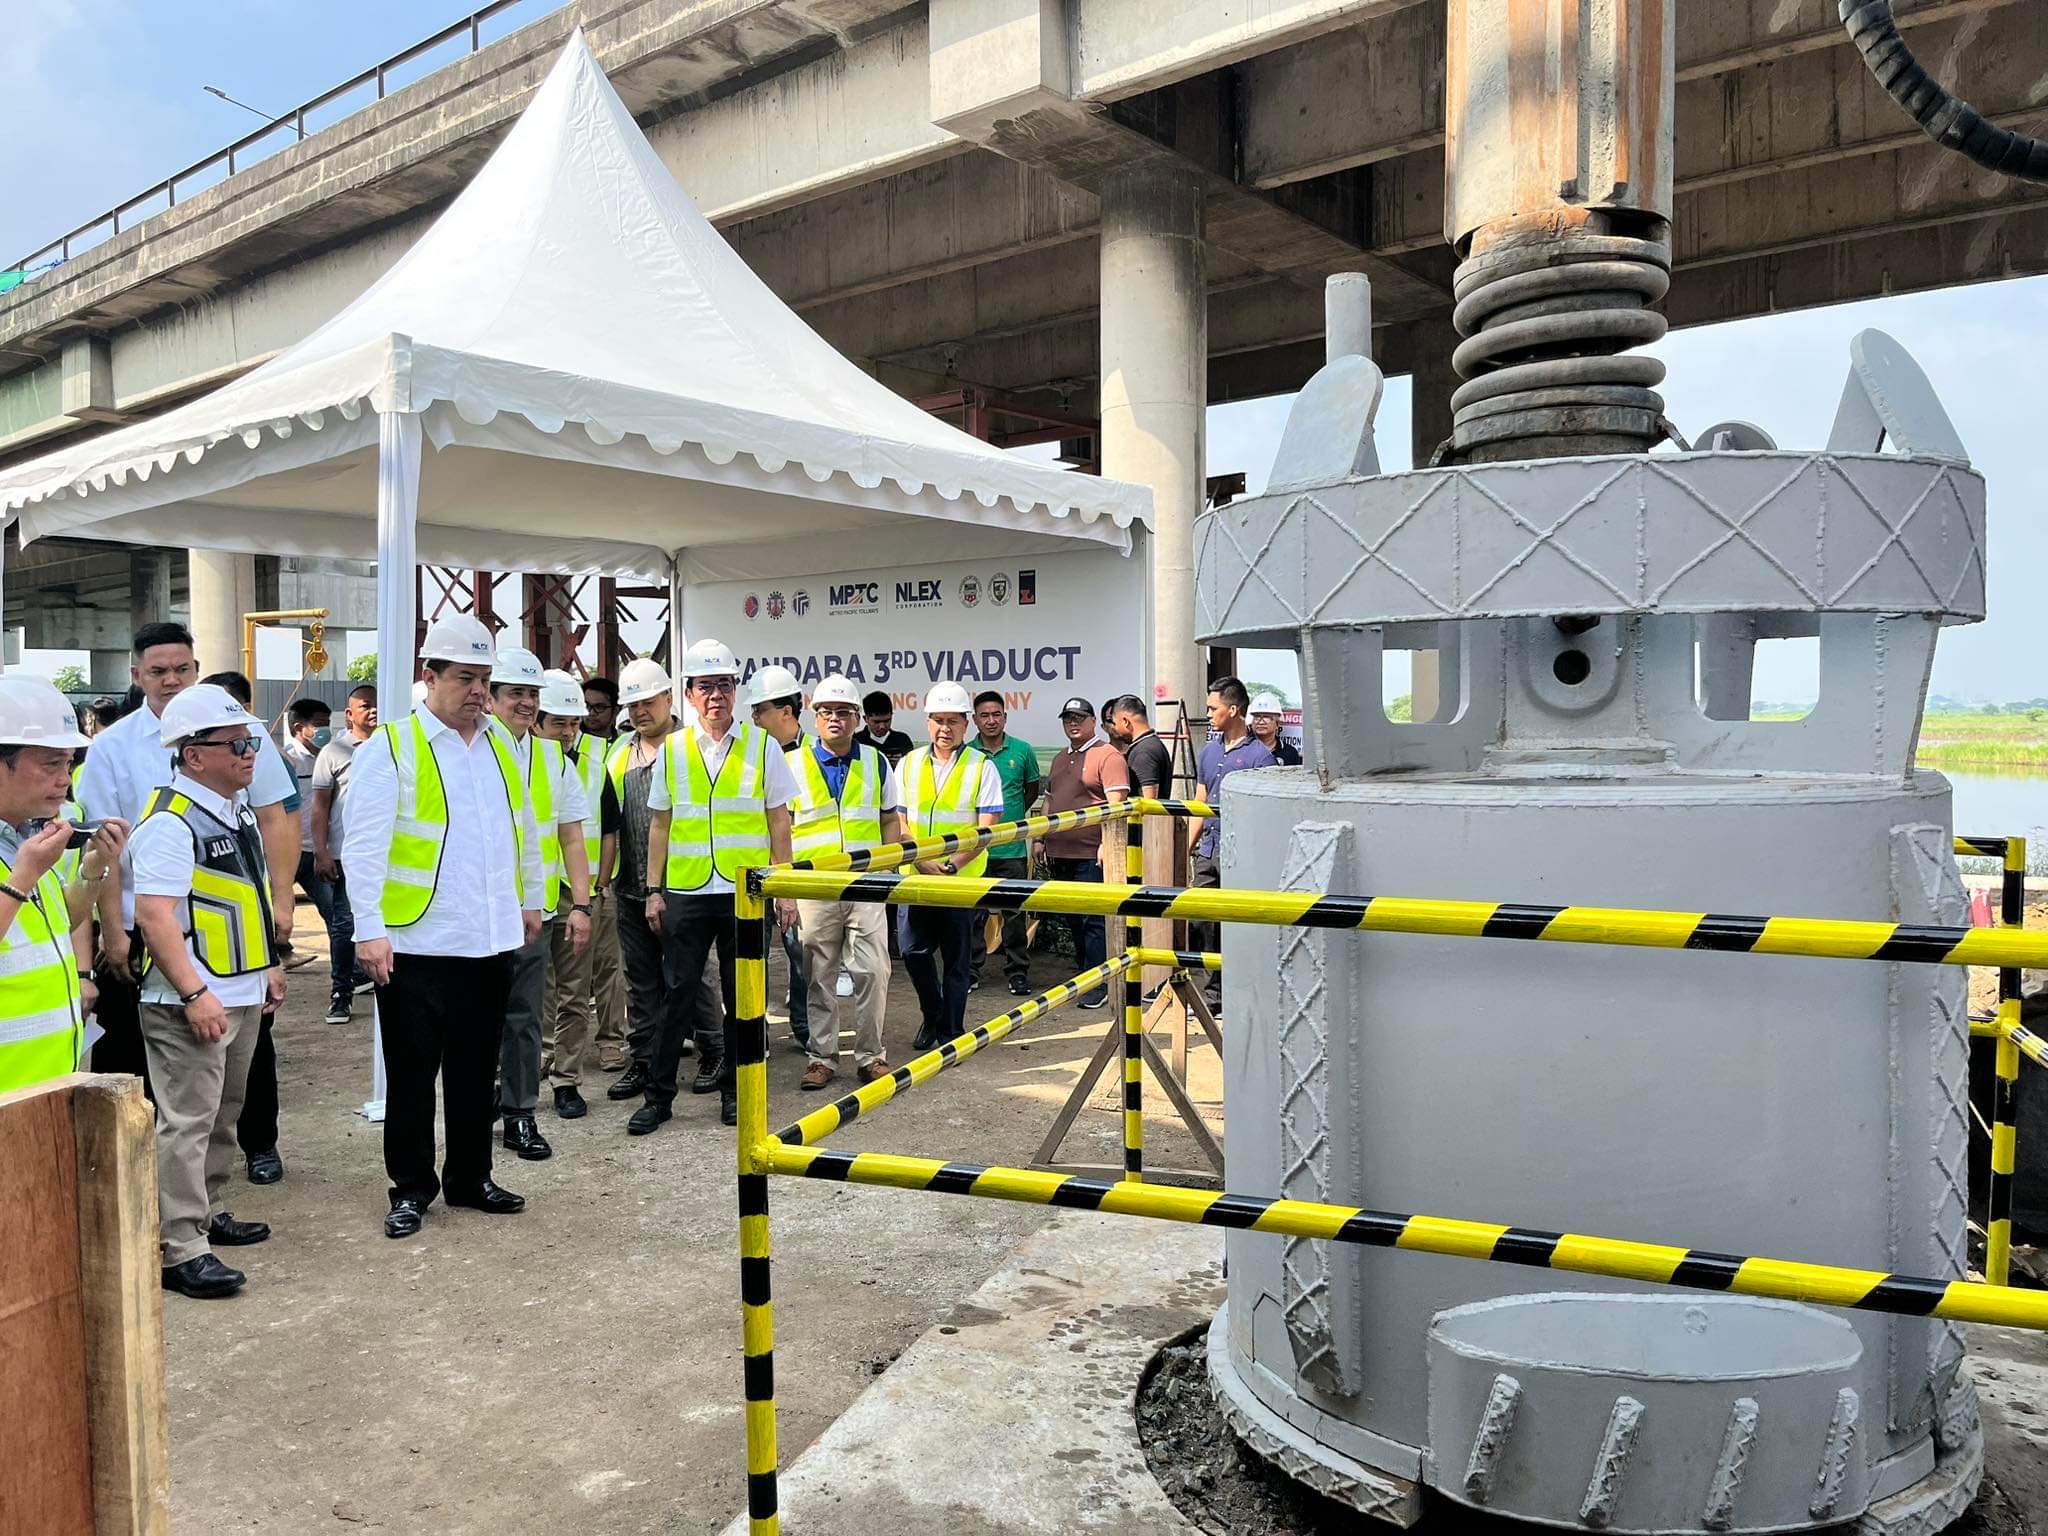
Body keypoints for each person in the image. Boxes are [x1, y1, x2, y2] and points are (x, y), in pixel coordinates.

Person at [342, 615, 544, 1240]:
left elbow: (523, 831)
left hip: (487, 940)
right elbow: (363, 847)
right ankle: (410, 1188)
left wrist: (530, 901)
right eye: (465, 678)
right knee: (411, 1074)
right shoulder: (393, 748)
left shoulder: (501, 746)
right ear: (428, 677)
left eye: (485, 679)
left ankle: (469, 1177)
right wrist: (369, 930)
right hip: (414, 943)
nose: (478, 692)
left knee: (473, 1068)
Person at [78, 626, 300, 1187]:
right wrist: (114, 931)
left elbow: (273, 819)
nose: (172, 680)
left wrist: (277, 916)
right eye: (159, 671)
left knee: (234, 1080)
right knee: (175, 1086)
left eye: (182, 669)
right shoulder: (115, 750)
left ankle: (224, 1186)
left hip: (231, 947)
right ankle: (166, 1215)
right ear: (137, 676)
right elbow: (107, 847)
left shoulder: (237, 750)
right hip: (158, 931)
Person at [130, 685, 286, 1299]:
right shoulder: (170, 822)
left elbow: (245, 894)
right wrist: (196, 993)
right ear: (194, 755)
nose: (250, 752)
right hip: (192, 1000)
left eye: (250, 741)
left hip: (239, 990)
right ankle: (181, 1246)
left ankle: (207, 1212)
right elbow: (156, 917)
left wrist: (268, 964)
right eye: (237, 743)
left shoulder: (233, 807)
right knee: (188, 1121)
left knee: (223, 1112)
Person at [642, 639, 798, 1131]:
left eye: (724, 685)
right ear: (688, 694)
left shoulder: (762, 746)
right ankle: (658, 1097)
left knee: (743, 1000)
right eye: (706, 686)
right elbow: (660, 824)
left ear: (737, 691)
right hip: (687, 892)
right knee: (677, 998)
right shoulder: (673, 750)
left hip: (744, 893)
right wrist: (653, 889)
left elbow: (779, 821)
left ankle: (737, 1092)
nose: (716, 696)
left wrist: (786, 888)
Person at [487, 649, 593, 1161]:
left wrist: (581, 903)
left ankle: (520, 1114)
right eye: (516, 694)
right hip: (477, 914)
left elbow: (572, 837)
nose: (526, 704)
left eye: (532, 695)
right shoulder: (473, 748)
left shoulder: (554, 759)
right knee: (475, 1017)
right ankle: (481, 1100)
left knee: (525, 1017)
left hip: (533, 914)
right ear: (491, 697)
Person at [602, 657, 721, 1105]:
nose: (639, 713)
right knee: (641, 980)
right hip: (631, 886)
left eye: (647, 702)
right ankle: (646, 1060)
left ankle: (713, 1050)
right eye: (632, 705)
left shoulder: (694, 747)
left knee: (693, 977)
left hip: (683, 886)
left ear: (670, 698)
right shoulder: (619, 753)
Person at [787, 675, 906, 1090]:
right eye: (826, 712)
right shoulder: (792, 765)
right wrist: (785, 887)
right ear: (814, 718)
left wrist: (888, 869)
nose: (834, 719)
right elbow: (779, 828)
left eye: (842, 712)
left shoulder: (875, 762)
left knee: (873, 971)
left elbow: (890, 817)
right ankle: (822, 1057)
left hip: (865, 885)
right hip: (815, 888)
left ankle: (871, 1056)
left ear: (857, 718)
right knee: (818, 974)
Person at [0, 675, 117, 1097]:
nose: (64, 779)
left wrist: (92, 871)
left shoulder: (24, 836)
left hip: (40, 1085)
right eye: (50, 764)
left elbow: (58, 920)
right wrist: (24, 875)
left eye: (68, 764)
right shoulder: (27, 855)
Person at [896, 681, 1003, 1051]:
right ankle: (934, 1014)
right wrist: (924, 864)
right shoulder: (907, 764)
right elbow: (899, 823)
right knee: (912, 952)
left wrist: (953, 866)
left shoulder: (981, 767)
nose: (945, 729)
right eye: (938, 720)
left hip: (960, 881)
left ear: (966, 724)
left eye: (953, 721)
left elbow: (985, 828)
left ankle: (950, 1031)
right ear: (927, 722)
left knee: (958, 961)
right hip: (916, 878)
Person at [537, 669, 617, 1119]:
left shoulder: (592, 765)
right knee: (534, 994)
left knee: (573, 992)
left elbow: (607, 832)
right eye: (559, 723)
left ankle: (566, 1079)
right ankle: (531, 1071)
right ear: (538, 722)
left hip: (577, 893)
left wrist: (593, 894)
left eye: (573, 723)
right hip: (531, 895)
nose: (568, 732)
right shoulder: (517, 765)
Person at [1190, 677, 1277, 1016]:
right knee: (1205, 922)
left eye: (1213, 708)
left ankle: (1245, 993)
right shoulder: (1209, 752)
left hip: (1241, 857)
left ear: (1233, 709)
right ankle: (1214, 997)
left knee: (1240, 925)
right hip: (1209, 852)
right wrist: (1189, 846)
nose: (1208, 713)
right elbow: (1199, 801)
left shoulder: (1260, 757)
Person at [1041, 699, 1130, 1009]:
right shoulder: (1058, 759)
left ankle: (1097, 984)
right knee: (1074, 918)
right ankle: (1084, 976)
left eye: (1079, 717)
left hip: (1092, 851)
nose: (1073, 723)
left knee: (1094, 920)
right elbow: (1049, 801)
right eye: (1068, 718)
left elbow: (1116, 805)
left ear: (1093, 721)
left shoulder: (1108, 756)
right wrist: (1041, 838)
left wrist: (1109, 843)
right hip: (1060, 850)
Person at [745, 665, 814, 1052]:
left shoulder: (815, 757)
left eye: (760, 710)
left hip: (798, 874)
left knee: (801, 955)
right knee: (753, 956)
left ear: (786, 711)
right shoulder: (750, 755)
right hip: (757, 872)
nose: (754, 718)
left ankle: (803, 1028)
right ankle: (759, 1035)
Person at [282, 700, 360, 1019]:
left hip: (318, 853)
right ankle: (278, 956)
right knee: (278, 913)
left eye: (328, 721)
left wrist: (323, 849)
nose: (324, 729)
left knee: (337, 916)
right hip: (289, 852)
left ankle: (350, 975)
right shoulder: (286, 761)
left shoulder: (336, 756)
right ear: (299, 727)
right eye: (318, 723)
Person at [311, 684, 377, 1022]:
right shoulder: (334, 752)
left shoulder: (393, 746)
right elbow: (320, 807)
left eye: (377, 704)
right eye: (366, 705)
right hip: (345, 854)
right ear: (350, 714)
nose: (373, 710)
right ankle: (341, 992)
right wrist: (321, 852)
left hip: (387, 854)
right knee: (344, 924)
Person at [967, 690, 1039, 997]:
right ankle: (969, 970)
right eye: (984, 715)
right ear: (974, 720)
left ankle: (1017, 972)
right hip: (975, 850)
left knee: (1013, 914)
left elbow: (1031, 791)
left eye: (996, 714)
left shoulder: (1022, 750)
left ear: (1005, 718)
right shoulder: (967, 753)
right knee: (973, 914)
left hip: (1011, 848)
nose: (991, 720)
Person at [577, 673, 629, 1072]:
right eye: (585, 707)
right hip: (557, 884)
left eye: (599, 708)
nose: (590, 715)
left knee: (610, 967)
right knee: (563, 976)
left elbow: (609, 827)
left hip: (608, 876)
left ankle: (612, 1039)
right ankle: (554, 1049)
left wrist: (604, 881)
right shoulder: (556, 754)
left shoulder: (623, 747)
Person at [1107, 695, 1174, 802]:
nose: (1114, 729)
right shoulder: (1149, 745)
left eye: (1115, 723)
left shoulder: (1144, 752)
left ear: (1125, 721)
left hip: (1144, 818)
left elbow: (1149, 803)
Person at [860, 691, 914, 765]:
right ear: (865, 719)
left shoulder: (903, 740)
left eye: (886, 721)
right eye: (876, 722)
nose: (882, 726)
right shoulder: (856, 742)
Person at [1249, 693, 1302, 767]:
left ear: (1277, 724)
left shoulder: (1289, 753)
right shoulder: (1244, 749)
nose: (1260, 722)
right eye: (1257, 717)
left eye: (1266, 717)